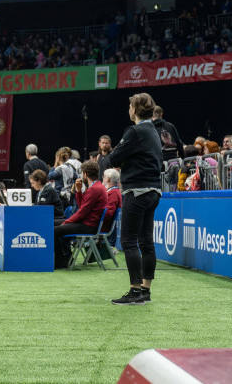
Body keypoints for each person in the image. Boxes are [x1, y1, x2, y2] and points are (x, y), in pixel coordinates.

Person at [108, 93, 163, 305]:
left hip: (136, 190)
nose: (128, 109)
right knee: (146, 242)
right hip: (153, 191)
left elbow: (114, 157)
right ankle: (146, 291)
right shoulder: (153, 131)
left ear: (136, 109)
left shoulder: (135, 131)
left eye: (130, 105)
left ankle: (135, 290)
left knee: (129, 241)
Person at [53, 160, 107, 268]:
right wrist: (78, 191)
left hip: (88, 226)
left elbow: (82, 213)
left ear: (85, 174)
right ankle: (67, 257)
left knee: (54, 230)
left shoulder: (94, 189)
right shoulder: (97, 187)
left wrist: (66, 222)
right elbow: (83, 206)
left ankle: (60, 261)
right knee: (53, 223)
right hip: (88, 223)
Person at [102, 168, 123, 247]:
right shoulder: (113, 192)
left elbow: (108, 214)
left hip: (103, 227)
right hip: (103, 226)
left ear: (107, 179)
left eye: (103, 177)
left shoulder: (113, 193)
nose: (103, 179)